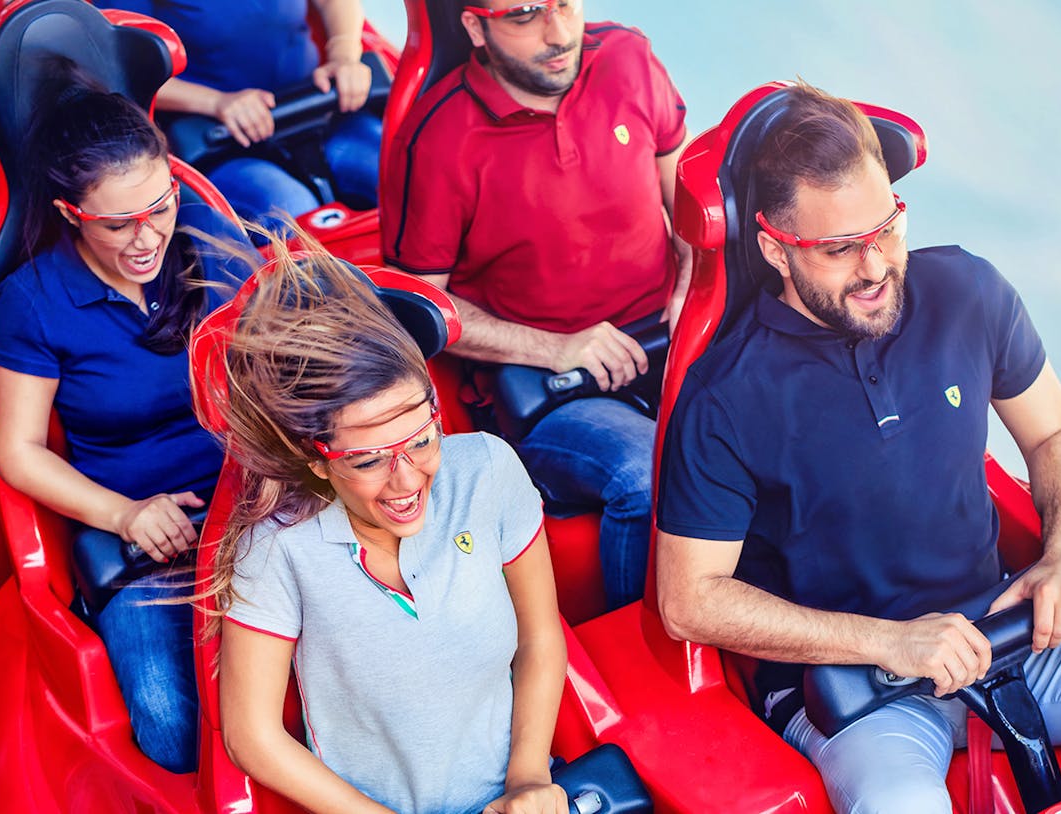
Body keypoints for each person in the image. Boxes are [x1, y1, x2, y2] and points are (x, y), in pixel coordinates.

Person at [654, 81, 1061, 813]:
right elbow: (689, 601)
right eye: (838, 249)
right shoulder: (725, 397)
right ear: (773, 247)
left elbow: (1057, 432)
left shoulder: (968, 292)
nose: (873, 267)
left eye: (886, 229)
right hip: (856, 690)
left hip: (1012, 629)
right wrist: (888, 643)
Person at [203, 244, 568, 813]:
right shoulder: (277, 547)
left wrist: (526, 778)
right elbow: (252, 735)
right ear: (316, 457)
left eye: (423, 439)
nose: (406, 481)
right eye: (369, 460)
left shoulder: (489, 470)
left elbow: (540, 637)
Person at [379, 0, 691, 609]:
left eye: (564, 5)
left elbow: (684, 195)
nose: (557, 34)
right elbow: (418, 305)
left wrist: (688, 285)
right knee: (647, 478)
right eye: (523, 16)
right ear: (475, 27)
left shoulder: (628, 56)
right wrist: (559, 348)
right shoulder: (439, 136)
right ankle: (645, 656)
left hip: (667, 337)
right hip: (543, 386)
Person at [0, 71, 249, 773]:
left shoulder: (206, 234)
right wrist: (126, 515)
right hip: (143, 535)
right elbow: (17, 450)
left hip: (256, 502)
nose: (147, 238)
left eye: (159, 208)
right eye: (117, 224)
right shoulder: (33, 299)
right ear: (71, 214)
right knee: (171, 726)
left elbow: (285, 362)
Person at [97, 0, 382, 225]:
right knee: (291, 208)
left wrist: (343, 54)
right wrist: (218, 102)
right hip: (219, 138)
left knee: (390, 171)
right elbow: (123, 69)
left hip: (320, 107)